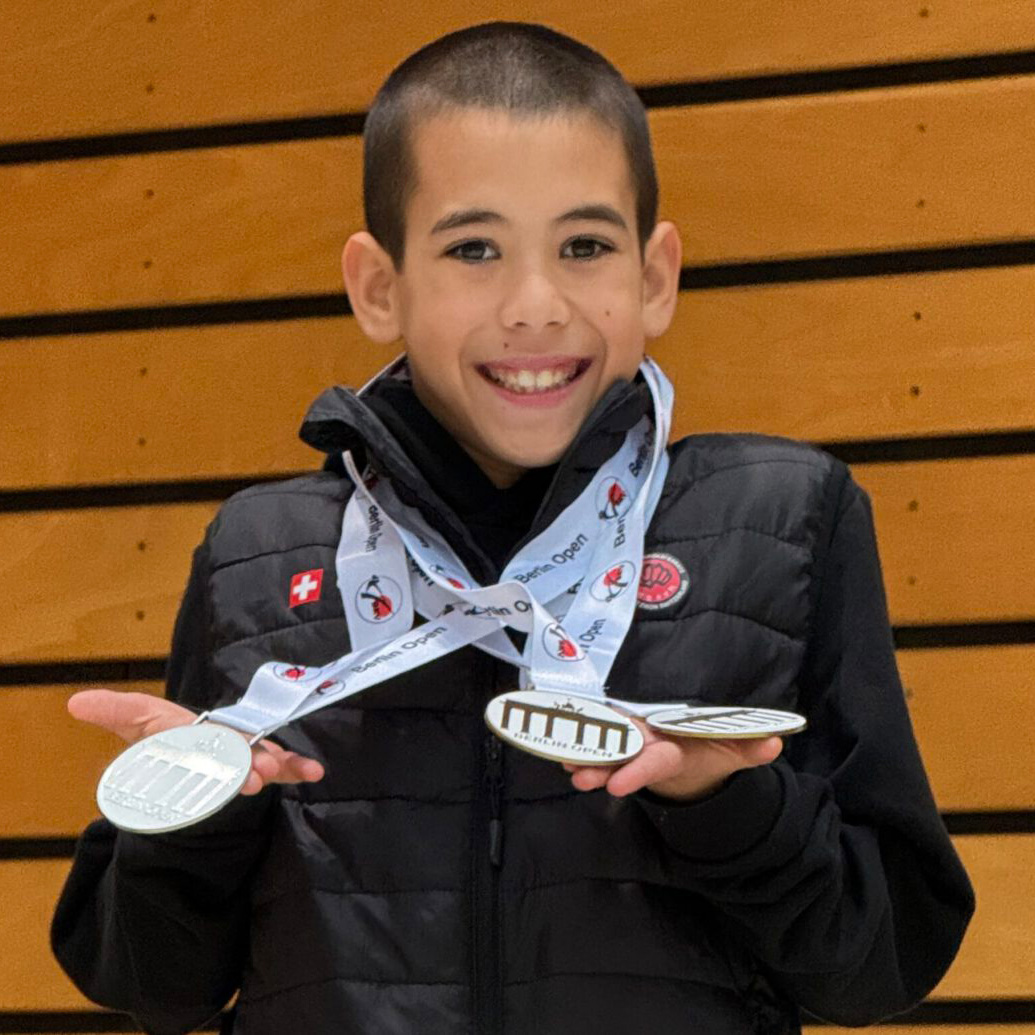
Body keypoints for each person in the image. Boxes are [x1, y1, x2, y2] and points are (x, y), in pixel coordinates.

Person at [52, 22, 974, 1035]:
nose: (534, 306)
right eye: (473, 249)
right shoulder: (259, 560)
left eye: (583, 246)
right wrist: (194, 819)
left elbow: (884, 965)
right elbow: (153, 986)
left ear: (655, 276)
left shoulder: (784, 522)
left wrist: (726, 807)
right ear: (378, 285)